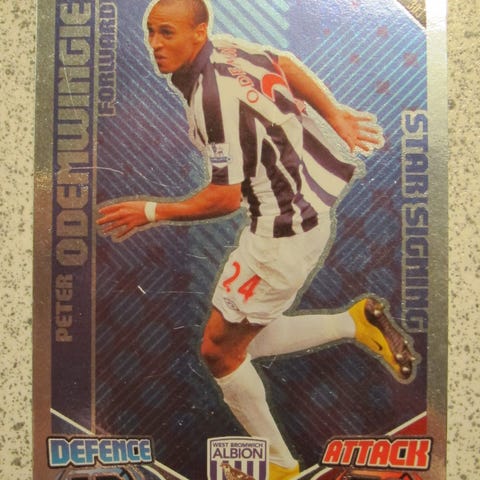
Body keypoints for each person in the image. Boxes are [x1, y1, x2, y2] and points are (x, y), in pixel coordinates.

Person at [97, 1, 416, 478]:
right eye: (150, 33)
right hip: (302, 215)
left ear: (199, 33)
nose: (155, 45)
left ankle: (281, 465)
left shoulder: (212, 99)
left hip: (278, 239)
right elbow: (284, 63)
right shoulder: (225, 48)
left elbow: (224, 197)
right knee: (237, 340)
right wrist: (334, 115)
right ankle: (355, 323)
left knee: (219, 353)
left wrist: (151, 211)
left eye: (166, 33)